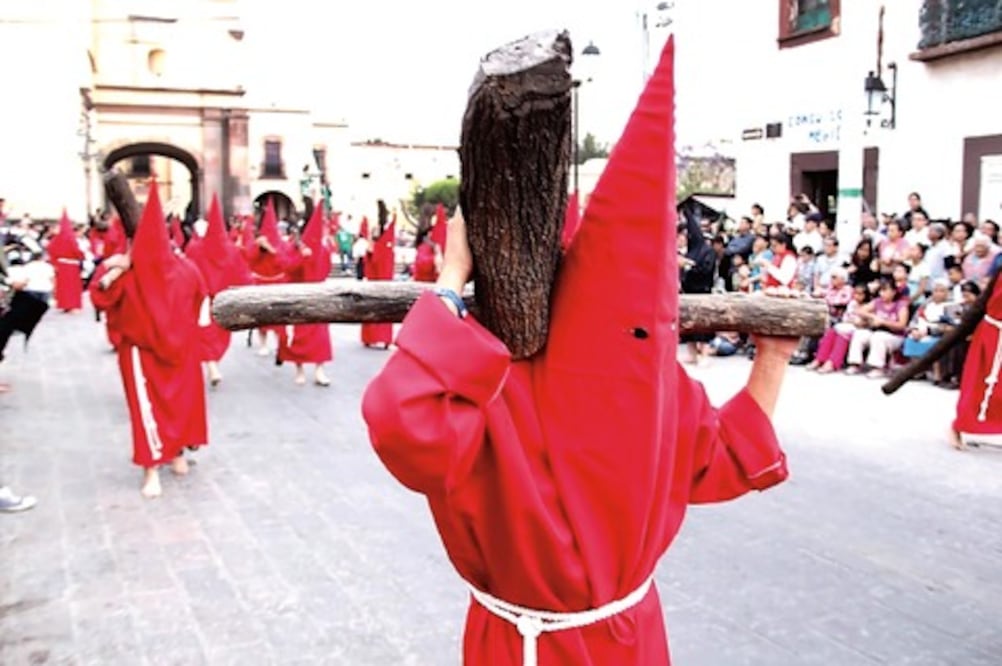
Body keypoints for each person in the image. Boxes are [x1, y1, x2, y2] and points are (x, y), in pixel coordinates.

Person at [362, 38, 794, 665]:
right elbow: (729, 456)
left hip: (519, 642)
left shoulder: (482, 375)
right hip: (617, 642)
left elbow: (404, 426)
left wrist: (451, 281)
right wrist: (774, 356)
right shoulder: (659, 387)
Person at [89, 182, 208, 498]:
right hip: (153, 353)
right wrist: (114, 269)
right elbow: (101, 296)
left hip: (162, 352)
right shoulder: (135, 271)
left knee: (165, 406)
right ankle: (163, 461)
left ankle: (168, 459)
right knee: (161, 406)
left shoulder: (168, 269)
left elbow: (100, 301)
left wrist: (112, 269)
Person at [184, 194, 252, 386]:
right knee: (216, 335)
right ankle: (213, 366)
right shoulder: (231, 250)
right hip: (224, 301)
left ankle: (211, 366)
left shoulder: (195, 248)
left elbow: (188, 272)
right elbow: (242, 274)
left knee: (204, 333)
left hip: (202, 300)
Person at [277, 204, 334, 386]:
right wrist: (302, 257)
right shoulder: (291, 248)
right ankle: (299, 369)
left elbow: (325, 271)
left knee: (320, 336)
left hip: (317, 296)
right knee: (298, 335)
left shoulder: (323, 250)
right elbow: (286, 266)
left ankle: (319, 370)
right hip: (297, 296)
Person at [361, 203, 395, 349]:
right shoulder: (380, 247)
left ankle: (372, 338)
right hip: (379, 281)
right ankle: (378, 338)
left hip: (377, 281)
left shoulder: (379, 246)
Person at [47, 210, 85, 313]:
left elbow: (50, 249)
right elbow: (76, 250)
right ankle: (72, 305)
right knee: (72, 287)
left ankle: (65, 305)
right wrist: (81, 256)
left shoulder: (56, 238)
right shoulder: (70, 238)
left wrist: (54, 262)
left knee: (63, 287)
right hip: (71, 265)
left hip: (61, 265)